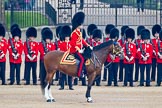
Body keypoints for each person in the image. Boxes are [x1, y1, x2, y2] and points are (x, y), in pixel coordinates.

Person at [70, 11, 92, 78]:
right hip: (74, 50)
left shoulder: (79, 32)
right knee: (82, 59)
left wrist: (88, 45)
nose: (82, 25)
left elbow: (82, 40)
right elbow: (73, 43)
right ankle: (79, 74)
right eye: (81, 24)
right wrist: (78, 50)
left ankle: (84, 71)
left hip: (80, 49)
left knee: (86, 58)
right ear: (78, 24)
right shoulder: (74, 33)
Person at [59, 25, 74, 90]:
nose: (67, 38)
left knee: (70, 73)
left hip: (70, 58)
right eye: (66, 36)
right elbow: (61, 52)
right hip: (64, 59)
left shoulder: (71, 43)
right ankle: (62, 86)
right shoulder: (62, 44)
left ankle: (70, 86)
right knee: (63, 73)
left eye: (68, 36)